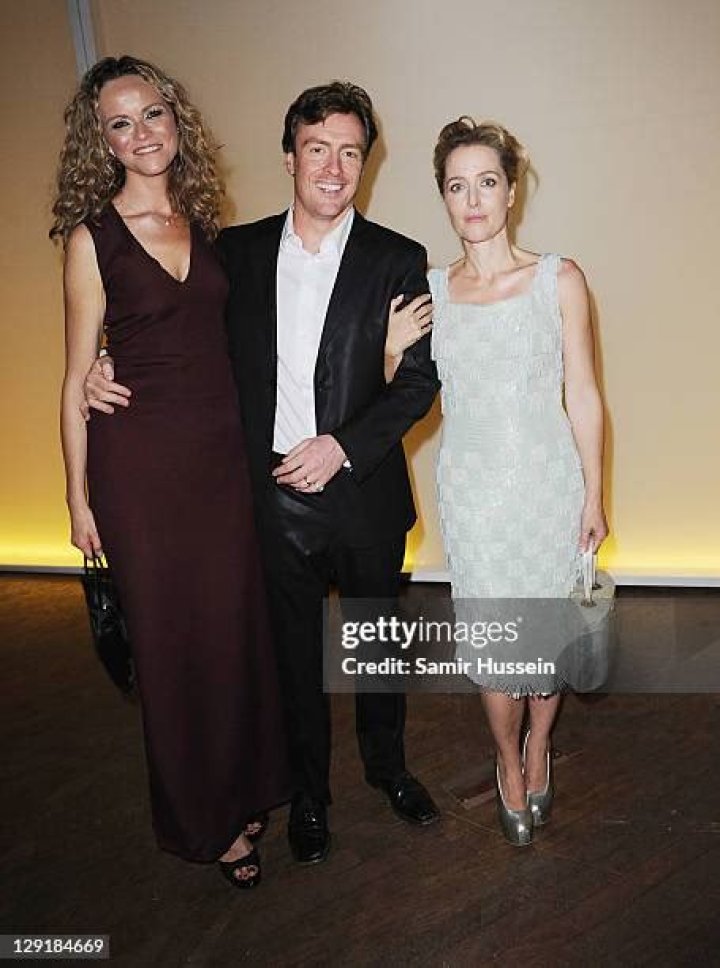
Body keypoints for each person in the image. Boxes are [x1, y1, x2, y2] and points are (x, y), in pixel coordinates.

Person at [88, 81, 441, 866]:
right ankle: (308, 796)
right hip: (270, 500)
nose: (333, 168)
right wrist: (102, 362)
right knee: (292, 663)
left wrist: (341, 444)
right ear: (289, 157)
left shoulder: (397, 258)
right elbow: (177, 331)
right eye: (317, 149)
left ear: (365, 164)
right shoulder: (235, 253)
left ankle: (388, 770)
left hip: (364, 495)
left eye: (350, 153)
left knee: (377, 650)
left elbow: (418, 383)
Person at [53, 55, 289, 888]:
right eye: (120, 124)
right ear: (103, 142)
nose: (141, 133)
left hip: (220, 464)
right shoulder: (93, 240)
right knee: (172, 646)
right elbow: (75, 379)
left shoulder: (204, 222)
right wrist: (78, 499)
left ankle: (246, 786)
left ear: (174, 118)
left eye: (151, 113)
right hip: (141, 471)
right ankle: (205, 819)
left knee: (233, 631)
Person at [385, 117, 608, 846]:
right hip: (474, 494)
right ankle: (506, 759)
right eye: (457, 186)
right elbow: (395, 399)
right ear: (444, 198)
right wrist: (388, 352)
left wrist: (595, 494)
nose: (473, 199)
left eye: (487, 182)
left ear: (511, 192)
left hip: (548, 485)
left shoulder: (558, 279)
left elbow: (584, 393)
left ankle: (540, 746)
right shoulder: (429, 295)